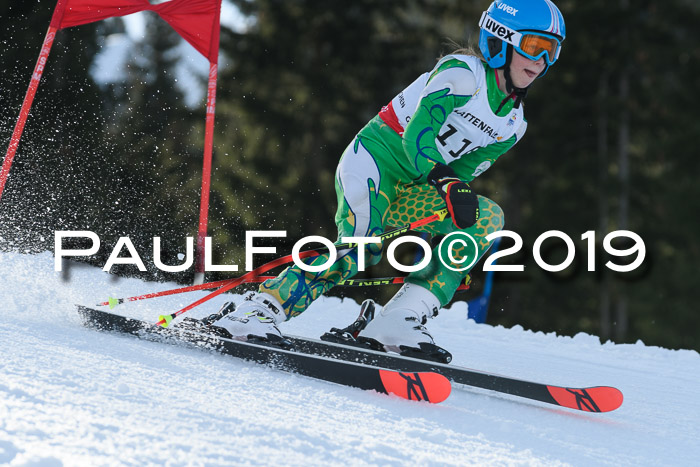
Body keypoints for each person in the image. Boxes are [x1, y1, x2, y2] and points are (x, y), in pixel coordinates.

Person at [212, 0, 566, 357]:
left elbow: (460, 174)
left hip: (415, 186)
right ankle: (258, 310)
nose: (541, 61)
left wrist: (454, 236)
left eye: (551, 51)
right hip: (374, 163)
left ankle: (399, 318)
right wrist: (445, 181)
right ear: (501, 40)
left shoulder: (512, 125)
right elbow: (417, 135)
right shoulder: (463, 75)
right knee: (359, 248)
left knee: (485, 218)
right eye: (534, 46)